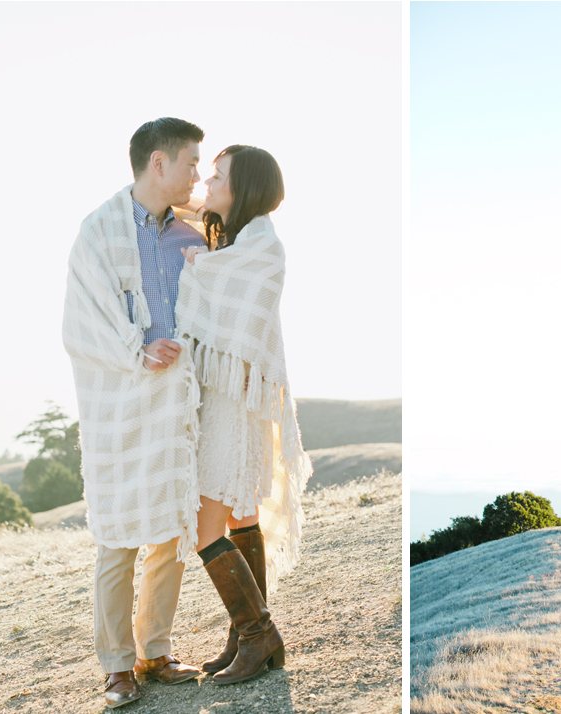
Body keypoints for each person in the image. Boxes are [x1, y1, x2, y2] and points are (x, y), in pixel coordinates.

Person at [62, 117, 207, 708]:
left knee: (172, 529)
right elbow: (80, 322)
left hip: (178, 399)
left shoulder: (195, 231)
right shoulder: (97, 231)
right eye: (192, 162)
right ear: (158, 162)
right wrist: (136, 349)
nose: (197, 174)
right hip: (121, 401)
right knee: (119, 537)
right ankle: (117, 665)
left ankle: (156, 650)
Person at [174, 144, 312, 684]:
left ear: (245, 187)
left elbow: (214, 294)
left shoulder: (260, 248)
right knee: (240, 517)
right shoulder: (235, 239)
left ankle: (259, 634)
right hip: (235, 397)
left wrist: (197, 267)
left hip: (235, 404)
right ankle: (247, 639)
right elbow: (184, 211)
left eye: (218, 174)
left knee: (208, 529)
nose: (208, 180)